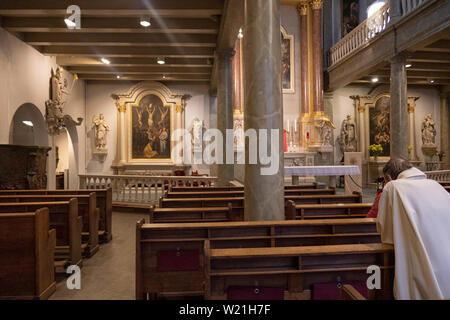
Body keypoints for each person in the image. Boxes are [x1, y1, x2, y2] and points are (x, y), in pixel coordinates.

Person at [377, 157, 450, 299]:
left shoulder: (393, 187)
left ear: (388, 177)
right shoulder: (435, 185)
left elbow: (385, 231)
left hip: (420, 262)